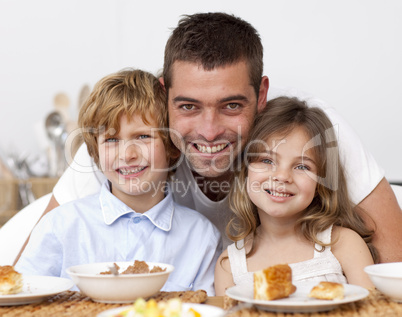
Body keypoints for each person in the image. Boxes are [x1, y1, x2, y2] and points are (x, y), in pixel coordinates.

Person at [14, 12, 402, 264]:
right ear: (165, 93)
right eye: (188, 107)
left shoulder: (310, 131)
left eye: (231, 106)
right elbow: (26, 275)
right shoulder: (125, 147)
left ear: (261, 94)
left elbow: (394, 267)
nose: (210, 130)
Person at [15, 69, 221, 295]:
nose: (127, 154)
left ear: (171, 146)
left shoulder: (201, 237)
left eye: (143, 136)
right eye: (111, 140)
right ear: (95, 152)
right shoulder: (60, 226)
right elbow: (21, 296)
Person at [214, 97, 376, 295]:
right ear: (245, 171)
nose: (282, 176)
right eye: (266, 160)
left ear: (321, 182)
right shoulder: (229, 266)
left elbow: (373, 310)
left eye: (302, 166)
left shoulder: (344, 244)